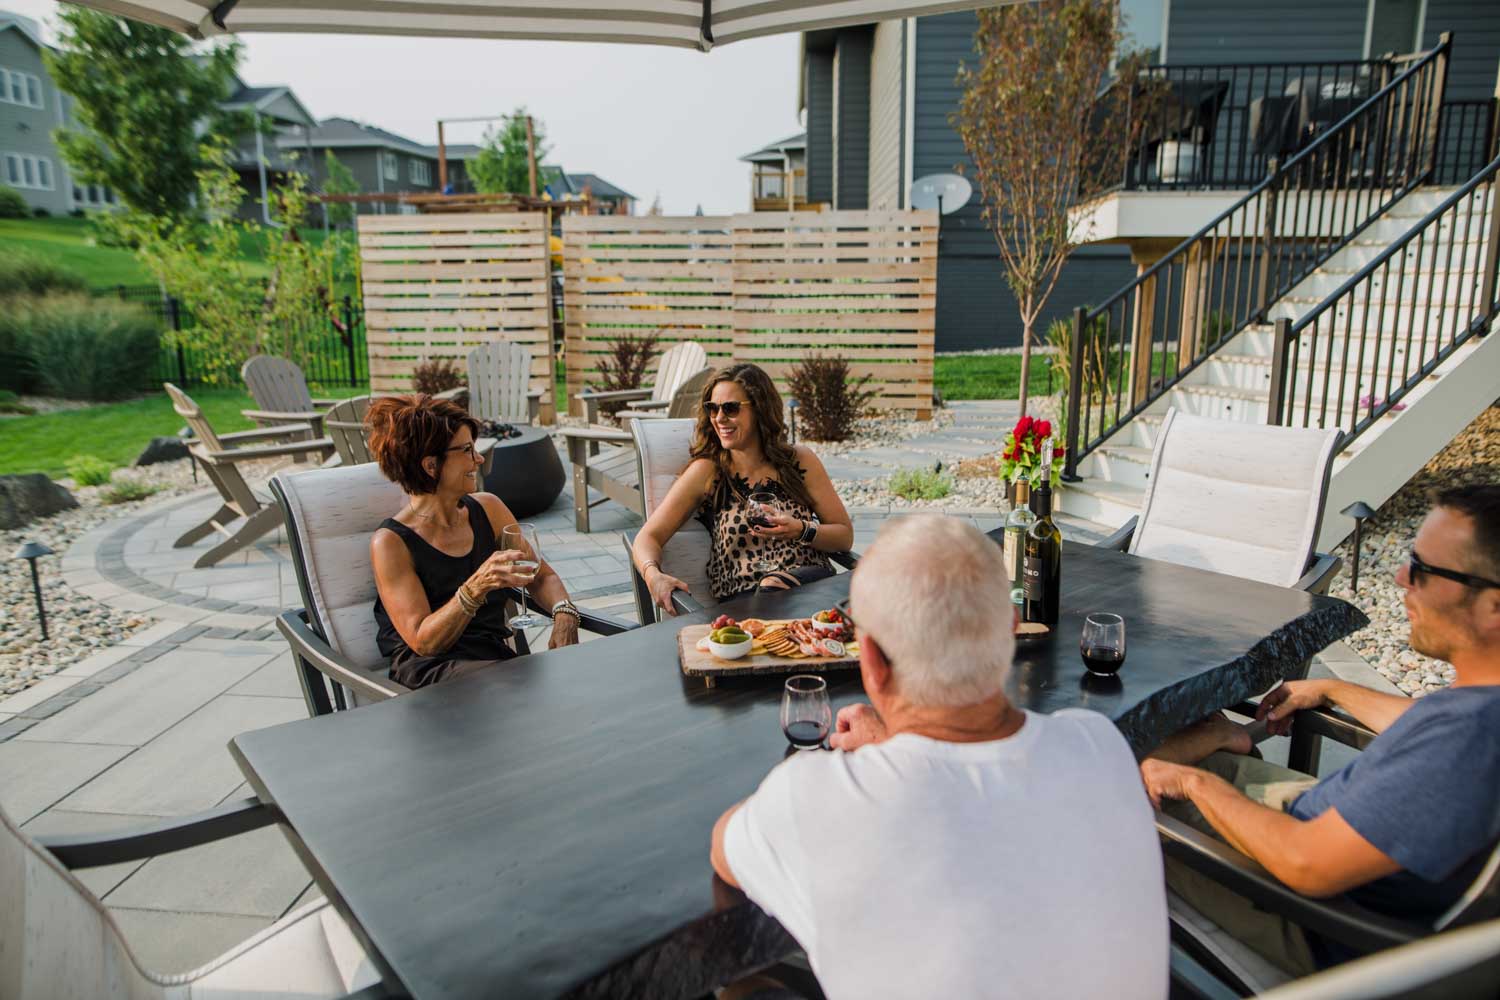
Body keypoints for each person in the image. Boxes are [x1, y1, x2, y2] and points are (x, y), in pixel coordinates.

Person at [708, 514, 1168, 999]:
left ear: (870, 661)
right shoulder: (1100, 745)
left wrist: (884, 756)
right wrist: (896, 747)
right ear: (1010, 631)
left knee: (738, 988)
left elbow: (724, 847)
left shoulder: (814, 795)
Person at [1141, 483, 1500, 974]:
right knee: (1156, 748)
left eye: (1422, 570)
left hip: (1304, 913)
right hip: (1333, 824)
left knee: (1099, 793)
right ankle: (1219, 743)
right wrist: (1334, 690)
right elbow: (1431, 730)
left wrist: (1191, 782)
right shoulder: (1479, 713)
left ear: (1494, 606)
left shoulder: (1471, 744)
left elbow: (1306, 864)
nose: (1400, 578)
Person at [367, 394, 581, 688]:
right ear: (431, 465)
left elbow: (540, 576)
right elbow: (423, 641)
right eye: (467, 450)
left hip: (494, 667)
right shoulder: (391, 543)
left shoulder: (488, 509)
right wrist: (476, 585)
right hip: (431, 676)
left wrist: (565, 613)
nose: (478, 459)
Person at [632, 363, 853, 614]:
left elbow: (844, 536)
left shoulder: (799, 461)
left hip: (810, 589)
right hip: (746, 604)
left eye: (731, 408)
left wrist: (800, 530)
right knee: (771, 588)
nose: (719, 418)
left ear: (760, 409)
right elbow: (647, 537)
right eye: (712, 408)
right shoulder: (708, 471)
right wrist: (653, 575)